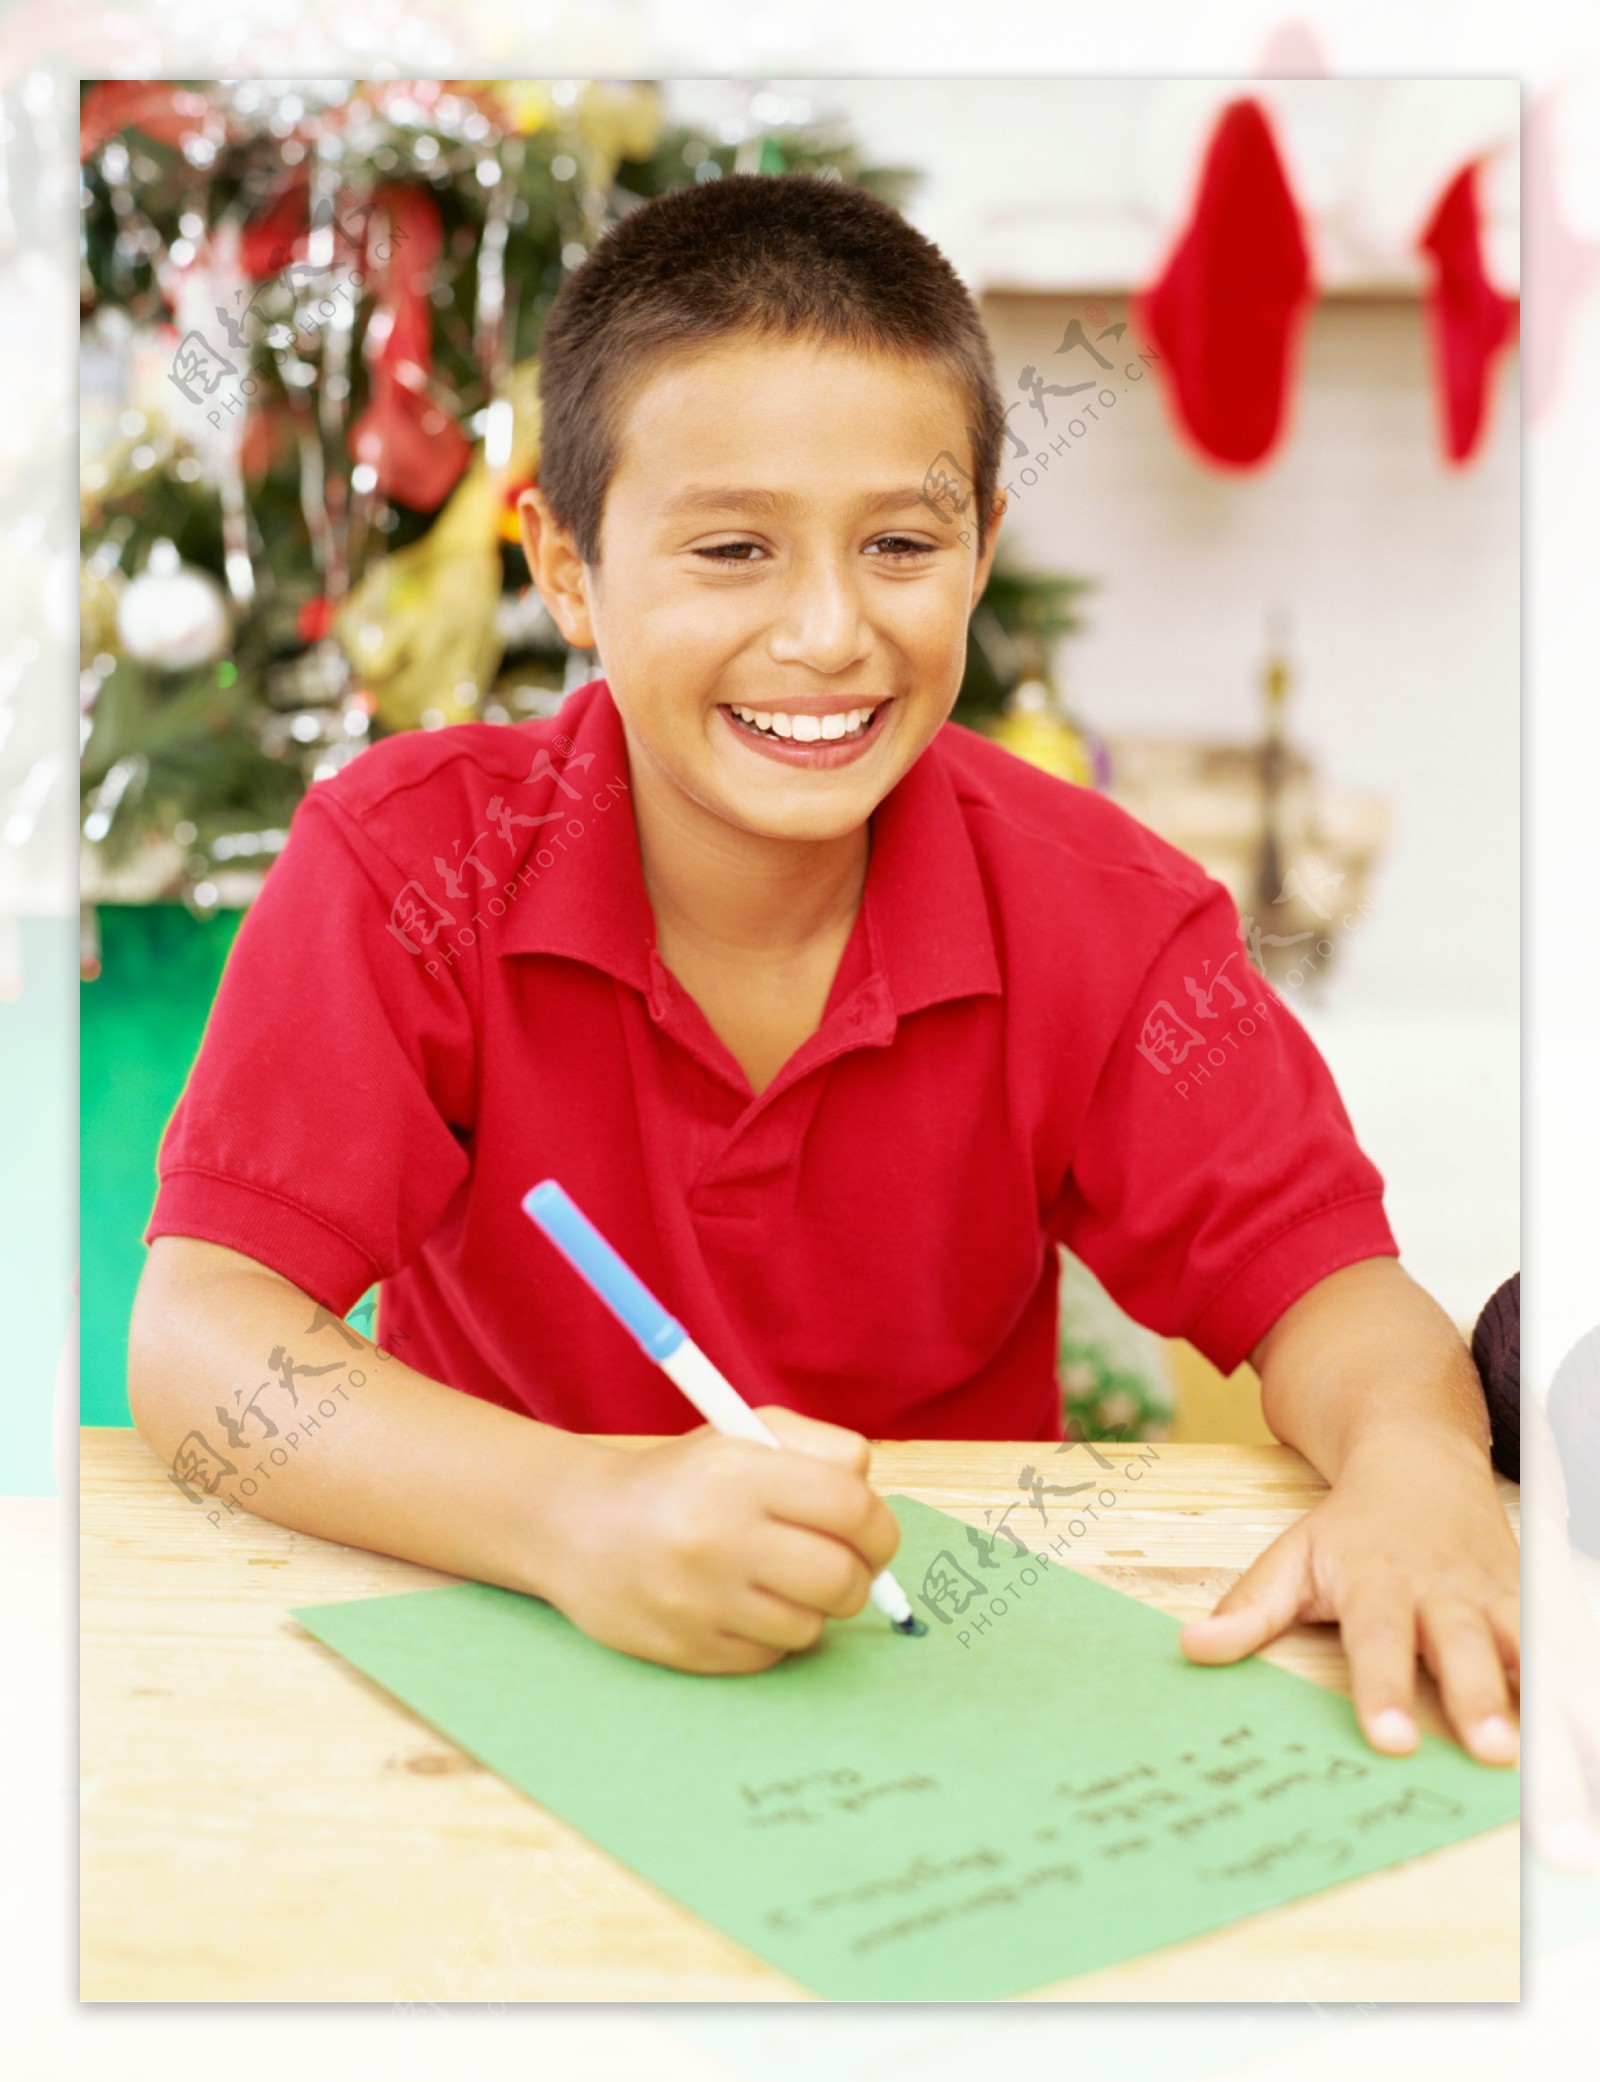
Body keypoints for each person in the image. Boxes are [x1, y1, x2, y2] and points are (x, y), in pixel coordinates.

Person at [129, 173, 1518, 1767]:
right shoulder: (405, 866)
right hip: (497, 1656)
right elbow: (200, 1331)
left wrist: (1415, 1463)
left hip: (936, 1702)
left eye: (900, 545)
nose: (827, 632)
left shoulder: (1110, 919)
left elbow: (1334, 1294)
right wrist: (577, 1514)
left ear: (984, 547)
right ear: (567, 566)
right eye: (731, 548)